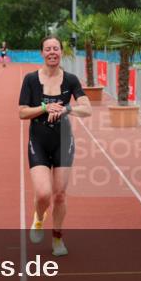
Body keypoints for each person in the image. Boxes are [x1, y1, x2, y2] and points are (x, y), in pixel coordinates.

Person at [18, 36, 92, 256]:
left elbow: (87, 109)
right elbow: (22, 112)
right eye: (48, 49)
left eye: (56, 49)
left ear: (61, 52)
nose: (52, 52)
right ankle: (39, 218)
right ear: (42, 53)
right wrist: (45, 107)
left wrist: (66, 110)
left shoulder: (70, 80)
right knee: (43, 194)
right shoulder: (30, 80)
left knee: (59, 194)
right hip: (39, 141)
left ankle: (58, 239)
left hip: (63, 140)